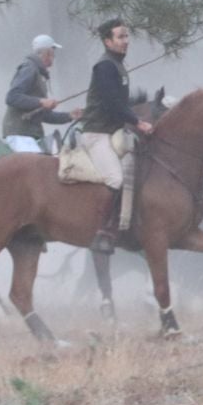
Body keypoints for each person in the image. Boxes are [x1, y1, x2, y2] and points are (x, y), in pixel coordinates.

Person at [82, 19, 155, 255]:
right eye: (120, 37)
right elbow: (112, 104)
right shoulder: (105, 66)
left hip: (113, 132)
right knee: (115, 178)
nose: (126, 41)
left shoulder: (117, 65)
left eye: (126, 36)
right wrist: (138, 122)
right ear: (107, 41)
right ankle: (103, 231)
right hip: (97, 134)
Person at [1, 34, 74, 155]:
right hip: (20, 134)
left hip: (29, 134)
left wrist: (70, 116)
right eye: (53, 53)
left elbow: (43, 116)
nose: (54, 57)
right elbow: (12, 97)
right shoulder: (29, 68)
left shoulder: (38, 73)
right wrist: (41, 101)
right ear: (47, 53)